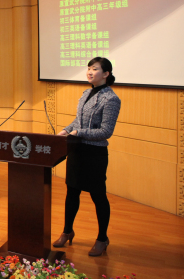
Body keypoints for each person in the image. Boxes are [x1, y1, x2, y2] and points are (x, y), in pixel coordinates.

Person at [54, 57, 121, 257]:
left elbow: (106, 131)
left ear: (106, 74)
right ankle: (67, 231)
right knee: (72, 192)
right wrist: (66, 130)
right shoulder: (86, 93)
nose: (90, 72)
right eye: (89, 68)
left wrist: (79, 132)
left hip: (94, 154)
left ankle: (102, 238)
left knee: (98, 196)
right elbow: (78, 120)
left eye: (95, 69)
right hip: (77, 150)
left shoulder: (111, 99)